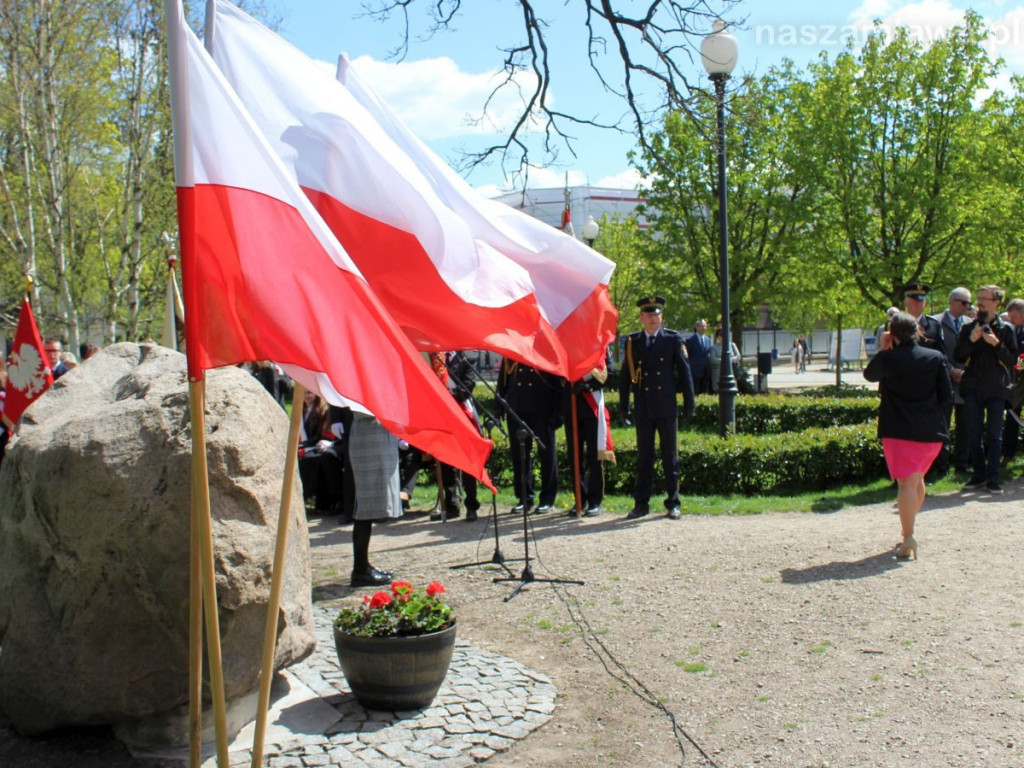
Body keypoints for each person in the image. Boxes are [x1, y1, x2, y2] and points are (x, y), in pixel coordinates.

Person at [863, 311, 953, 561]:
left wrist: (883, 348)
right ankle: (907, 530)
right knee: (917, 480)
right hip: (930, 431)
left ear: (892, 334)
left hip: (898, 430)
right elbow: (946, 395)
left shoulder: (888, 358)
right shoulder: (936, 357)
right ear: (917, 332)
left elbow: (869, 375)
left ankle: (909, 535)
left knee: (905, 484)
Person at [618, 295, 695, 520]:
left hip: (666, 406)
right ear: (642, 318)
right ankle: (641, 503)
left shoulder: (672, 340)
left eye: (657, 314)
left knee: (670, 456)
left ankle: (673, 502)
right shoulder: (633, 342)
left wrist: (690, 403)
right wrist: (624, 406)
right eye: (649, 315)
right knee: (644, 456)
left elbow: (685, 373)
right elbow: (625, 378)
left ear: (662, 317)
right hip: (644, 406)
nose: (653, 318)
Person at [955, 285, 1019, 494]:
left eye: (985, 298)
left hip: (996, 389)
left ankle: (993, 478)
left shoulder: (1006, 329)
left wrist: (996, 344)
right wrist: (972, 340)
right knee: (974, 434)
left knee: (994, 435)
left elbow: (1012, 360)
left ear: (996, 302)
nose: (980, 302)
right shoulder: (968, 328)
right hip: (973, 387)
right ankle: (979, 475)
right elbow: (958, 356)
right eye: (979, 298)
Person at [497, 359, 563, 514]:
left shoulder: (545, 346)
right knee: (520, 456)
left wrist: (559, 412)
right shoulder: (512, 346)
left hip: (542, 406)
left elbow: (558, 380)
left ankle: (547, 498)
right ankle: (525, 498)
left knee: (546, 454)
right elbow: (504, 378)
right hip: (516, 405)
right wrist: (498, 406)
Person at [346, 411, 403, 586]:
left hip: (377, 434)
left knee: (367, 508)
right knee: (365, 507)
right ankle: (360, 570)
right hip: (368, 435)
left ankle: (362, 566)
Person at [433, 351, 481, 522]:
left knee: (468, 462)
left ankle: (471, 504)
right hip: (442, 413)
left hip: (462, 412)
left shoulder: (469, 357)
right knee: (447, 461)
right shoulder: (435, 356)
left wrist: (443, 396)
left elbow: (466, 388)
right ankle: (452, 504)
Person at [563, 362, 614, 517]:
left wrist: (587, 387)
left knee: (594, 456)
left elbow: (607, 373)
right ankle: (580, 497)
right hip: (571, 406)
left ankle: (594, 500)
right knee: (575, 456)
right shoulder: (565, 343)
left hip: (591, 407)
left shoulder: (597, 344)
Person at [931, 287, 972, 474]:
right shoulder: (935, 323)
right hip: (944, 383)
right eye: (964, 302)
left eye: (969, 303)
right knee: (942, 427)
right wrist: (949, 370)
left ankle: (961, 465)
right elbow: (935, 353)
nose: (967, 307)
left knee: (965, 427)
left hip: (965, 384)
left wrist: (965, 372)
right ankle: (941, 466)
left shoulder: (971, 324)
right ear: (952, 301)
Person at [297, 391, 346, 517]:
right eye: (304, 394)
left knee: (312, 459)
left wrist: (305, 445)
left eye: (309, 393)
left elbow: (321, 434)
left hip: (322, 445)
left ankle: (317, 499)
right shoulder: (300, 411)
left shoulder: (322, 411)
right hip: (309, 446)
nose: (306, 396)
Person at [1000, 298, 1024, 462]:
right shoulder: (1011, 330)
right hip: (1014, 381)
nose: (1011, 321)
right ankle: (1008, 454)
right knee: (1012, 417)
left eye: (1014, 318)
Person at [709, 327, 741, 393]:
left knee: (732, 390)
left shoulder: (732, 345)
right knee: (719, 391)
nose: (722, 337)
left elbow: (738, 356)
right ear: (717, 337)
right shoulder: (714, 347)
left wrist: (729, 360)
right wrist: (724, 361)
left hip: (731, 372)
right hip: (718, 373)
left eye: (724, 335)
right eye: (720, 335)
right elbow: (713, 359)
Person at [684, 319, 712, 394]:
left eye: (705, 326)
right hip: (695, 370)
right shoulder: (690, 340)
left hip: (706, 371)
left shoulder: (708, 340)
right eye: (702, 326)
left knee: (705, 391)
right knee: (695, 391)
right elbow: (686, 356)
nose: (704, 328)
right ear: (697, 327)